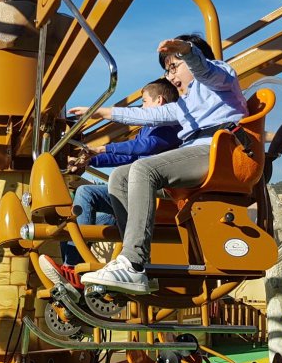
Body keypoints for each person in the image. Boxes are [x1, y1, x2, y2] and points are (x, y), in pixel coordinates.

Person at [66, 34, 248, 295]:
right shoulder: (186, 103)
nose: (171, 77)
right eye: (167, 71)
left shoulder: (220, 77)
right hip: (197, 155)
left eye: (173, 67)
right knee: (121, 176)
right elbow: (148, 115)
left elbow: (204, 69)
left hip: (219, 154)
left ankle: (133, 262)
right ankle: (135, 261)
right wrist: (100, 112)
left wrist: (187, 51)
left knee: (144, 169)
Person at [41, 78, 181, 288]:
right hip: (136, 193)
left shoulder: (171, 124)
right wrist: (89, 160)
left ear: (159, 101)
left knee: (87, 193)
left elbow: (145, 146)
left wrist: (104, 148)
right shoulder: (147, 129)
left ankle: (73, 268)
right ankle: (79, 280)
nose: (142, 108)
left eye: (144, 102)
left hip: (157, 193)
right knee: (81, 222)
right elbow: (129, 155)